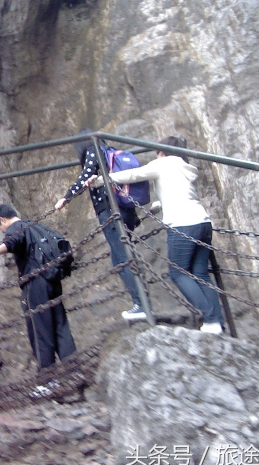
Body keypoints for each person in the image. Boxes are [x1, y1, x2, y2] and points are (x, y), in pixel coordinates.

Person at [87, 135, 225, 334]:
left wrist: (101, 180)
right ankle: (217, 321)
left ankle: (210, 317)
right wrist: (157, 207)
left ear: (161, 151)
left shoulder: (163, 163)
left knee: (178, 272)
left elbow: (134, 175)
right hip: (202, 223)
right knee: (201, 273)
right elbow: (180, 193)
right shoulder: (183, 167)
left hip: (182, 226)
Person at [54, 130, 145, 321]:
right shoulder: (109, 151)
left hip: (109, 211)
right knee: (119, 257)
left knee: (122, 257)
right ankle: (142, 300)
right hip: (124, 209)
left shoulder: (93, 150)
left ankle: (142, 304)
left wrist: (65, 198)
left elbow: (86, 174)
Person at [0, 205, 77, 369]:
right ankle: (74, 370)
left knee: (40, 330)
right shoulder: (36, 226)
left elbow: (11, 243)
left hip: (35, 284)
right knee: (60, 325)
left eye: (0, 228)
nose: (2, 232)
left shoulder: (15, 227)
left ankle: (47, 378)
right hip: (53, 280)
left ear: (2, 220)